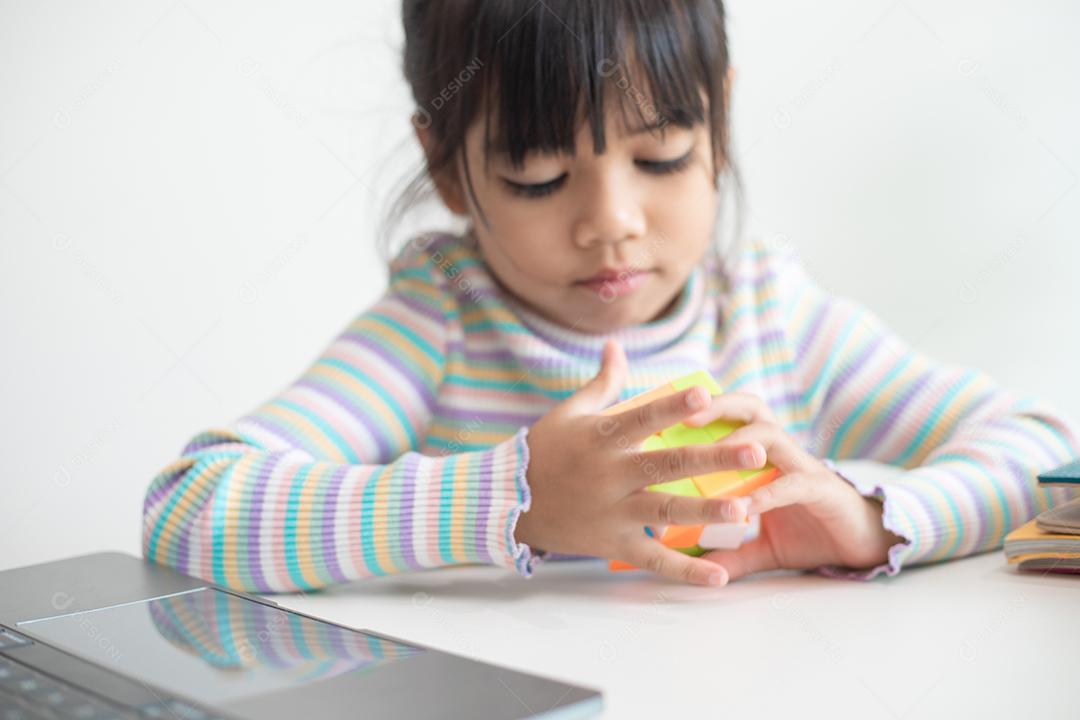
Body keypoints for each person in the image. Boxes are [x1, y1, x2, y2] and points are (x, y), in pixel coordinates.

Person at [142, 0, 1079, 592]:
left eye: (662, 157)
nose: (611, 222)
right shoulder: (442, 325)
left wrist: (871, 519)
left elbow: (1045, 453)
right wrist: (511, 501)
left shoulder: (766, 314)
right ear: (450, 169)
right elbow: (192, 510)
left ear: (717, 119)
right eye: (539, 175)